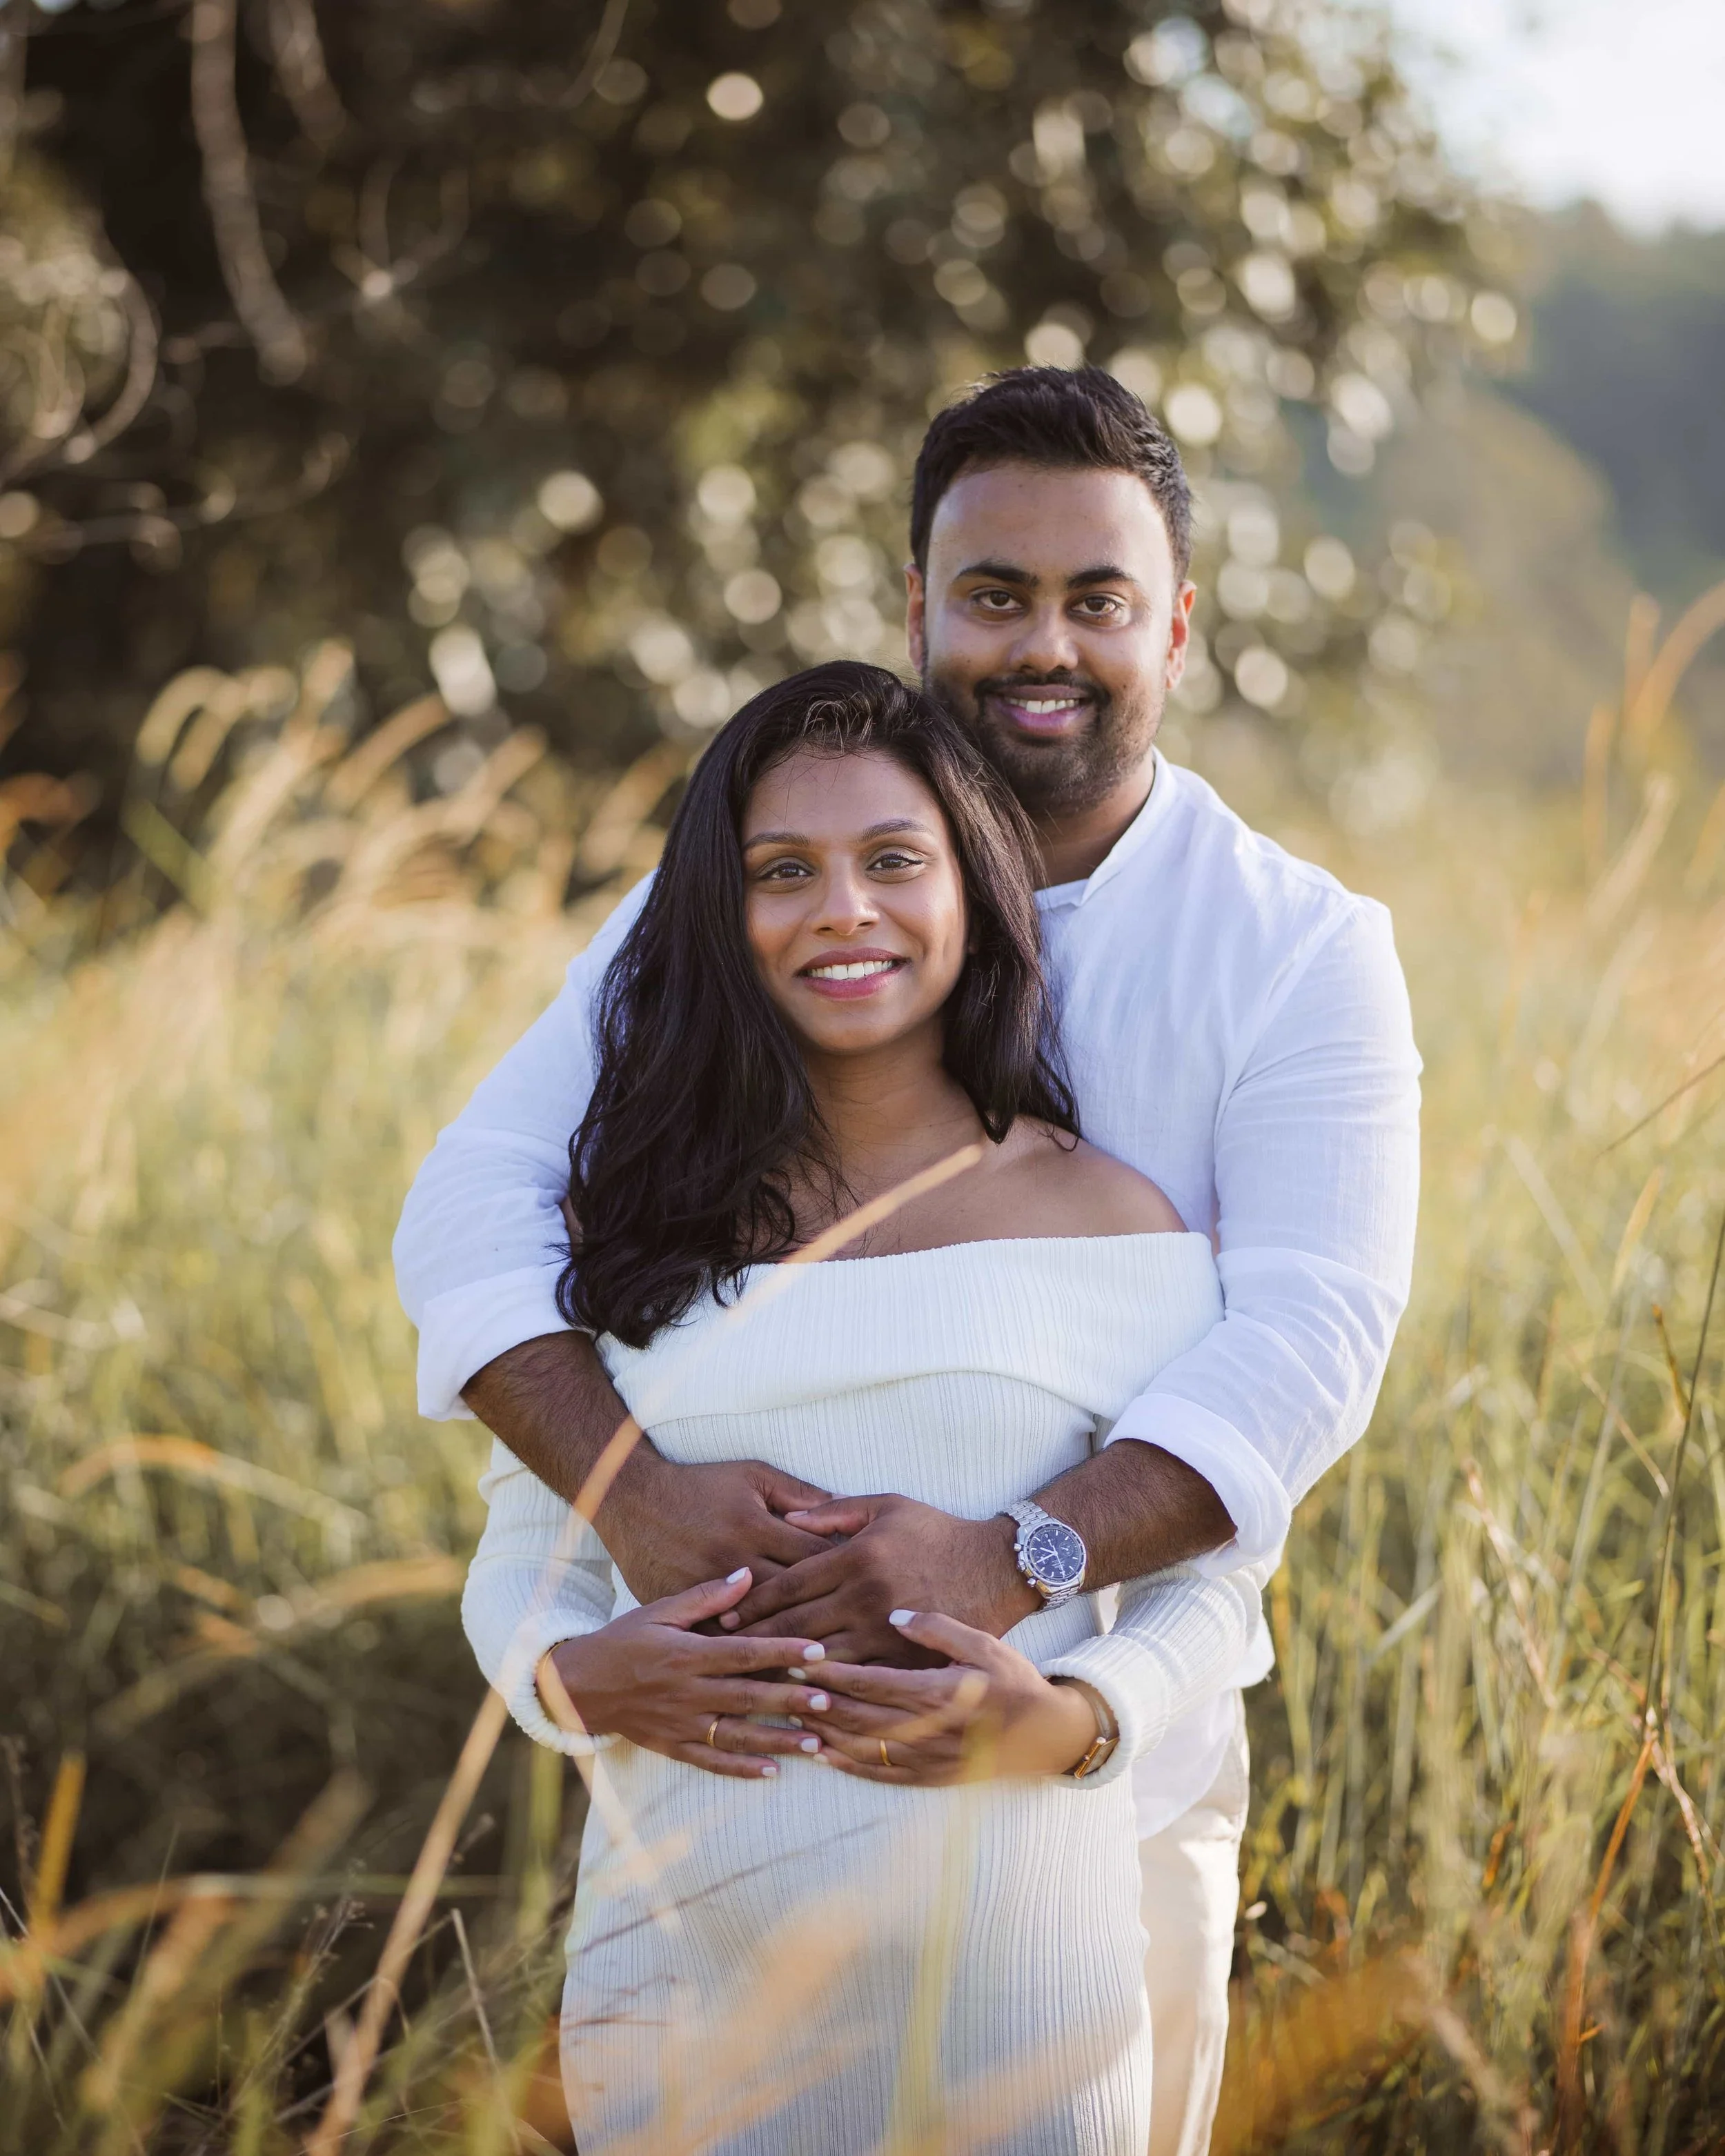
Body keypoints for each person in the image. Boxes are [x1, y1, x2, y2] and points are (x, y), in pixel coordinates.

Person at [395, 366, 1423, 2155]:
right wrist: (631, 1498)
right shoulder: (728, 908)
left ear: (1173, 625)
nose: (1043, 642)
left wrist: (1020, 1565)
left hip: (1084, 1780)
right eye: (992, 594)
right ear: (917, 611)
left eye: (1094, 597)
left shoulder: (1295, 950)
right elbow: (477, 1216)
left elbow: (1308, 1346)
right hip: (709, 1843)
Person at [462, 663, 1265, 2151]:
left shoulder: (1103, 1217)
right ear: (722, 913)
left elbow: (1217, 1574)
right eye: (783, 871)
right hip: (680, 1984)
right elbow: (528, 1549)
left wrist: (1085, 1715)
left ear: (972, 889)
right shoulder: (630, 1223)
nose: (842, 909)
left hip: (1021, 1997)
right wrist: (569, 1683)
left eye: (893, 860)